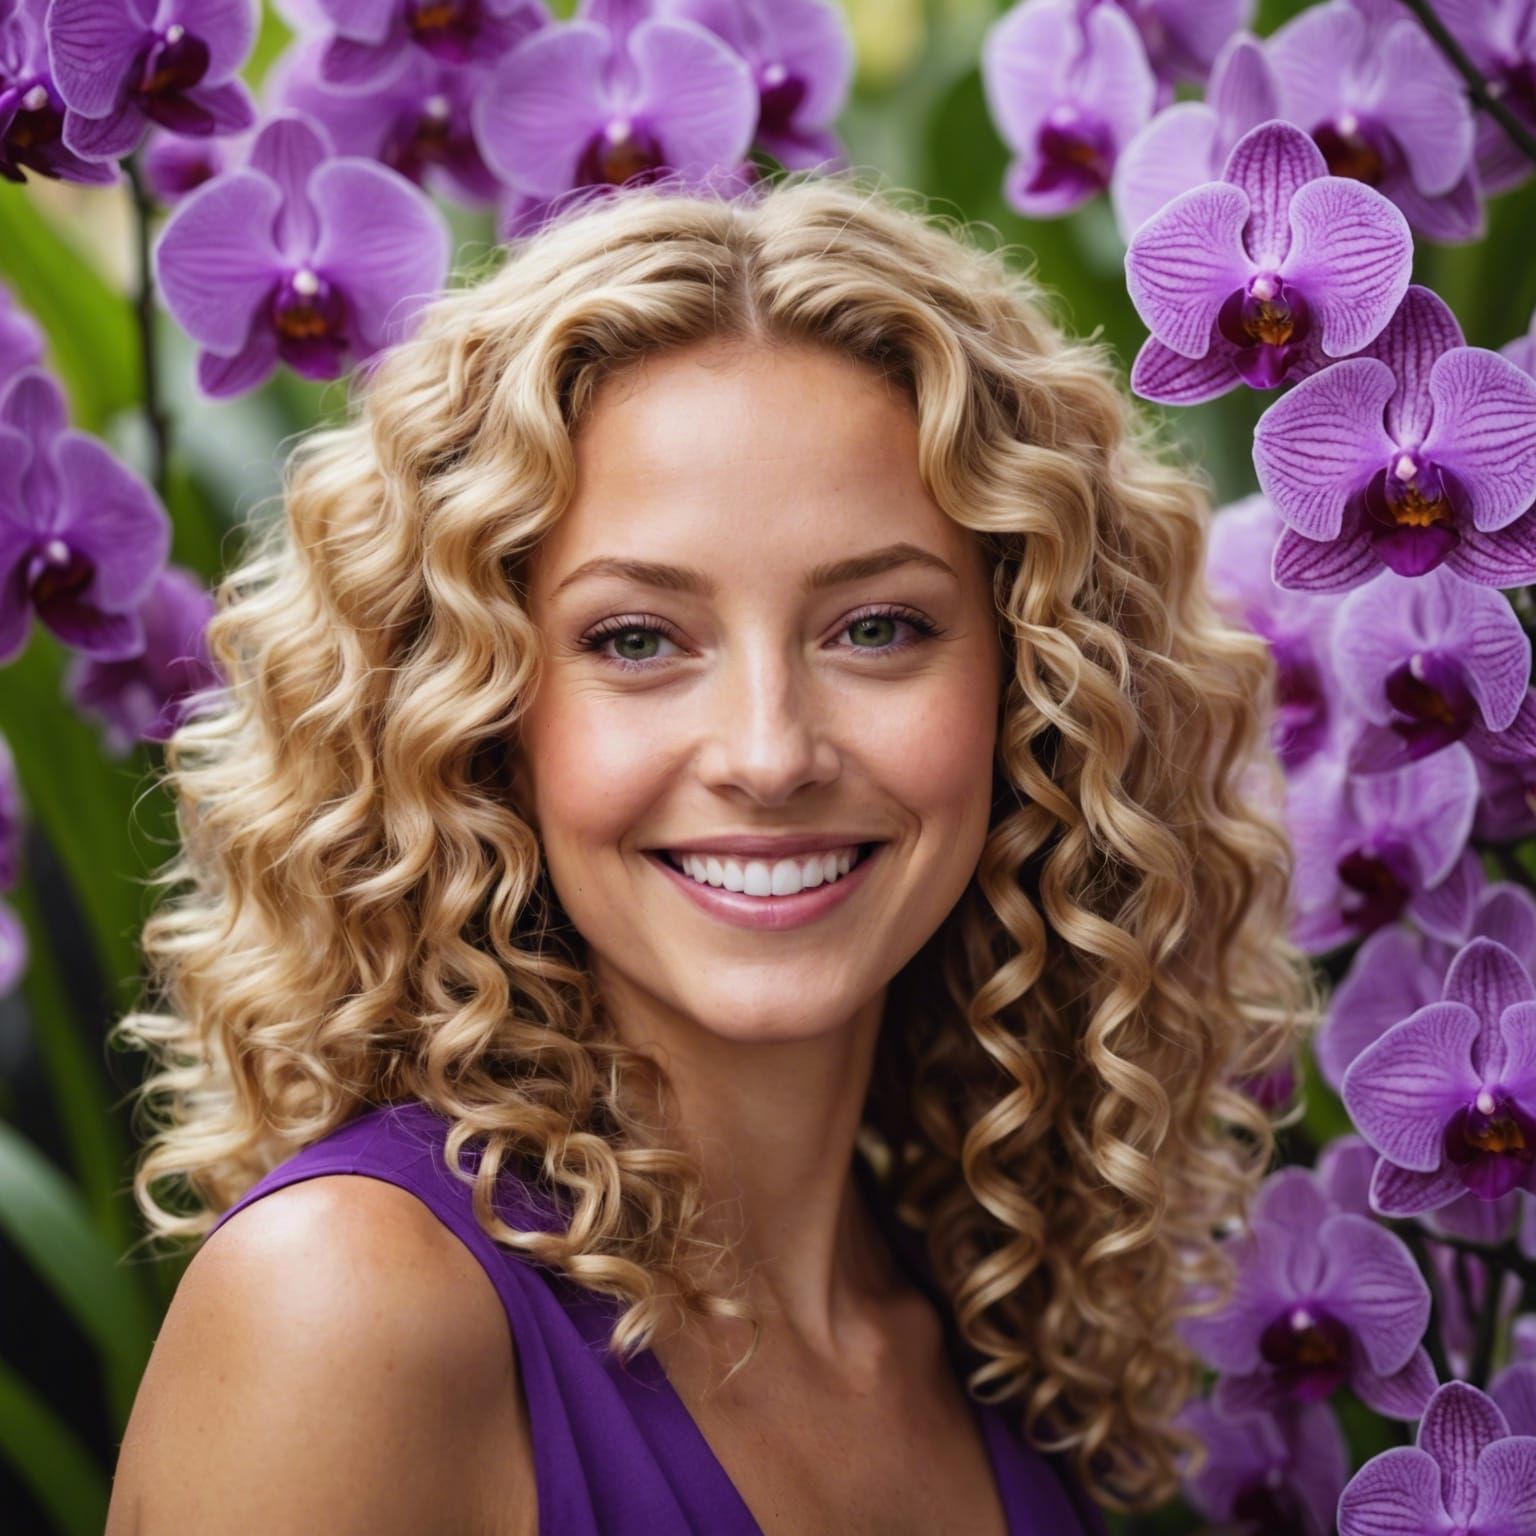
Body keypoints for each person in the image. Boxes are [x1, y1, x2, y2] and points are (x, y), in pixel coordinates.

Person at [103, 176, 1311, 1534]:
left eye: (877, 628)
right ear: (478, 714)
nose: (767, 751)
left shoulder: (982, 1343)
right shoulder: (351, 1305)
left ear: (1036, 683)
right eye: (636, 639)